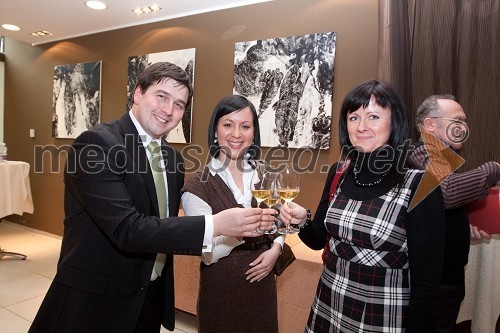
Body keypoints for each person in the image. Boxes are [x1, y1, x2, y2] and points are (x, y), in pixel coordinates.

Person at [29, 62, 275, 333]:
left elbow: (164, 229)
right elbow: (127, 229)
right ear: (137, 94)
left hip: (148, 298)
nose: (169, 110)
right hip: (95, 300)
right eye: (161, 96)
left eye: (179, 104)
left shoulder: (173, 160)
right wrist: (216, 225)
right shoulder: (96, 145)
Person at [280, 80, 446, 332]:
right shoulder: (339, 173)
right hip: (328, 306)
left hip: (382, 317)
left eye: (374, 116)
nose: (362, 127)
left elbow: (427, 283)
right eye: (354, 117)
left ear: (395, 122)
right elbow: (318, 240)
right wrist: (302, 220)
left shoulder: (420, 184)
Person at [181, 94, 284, 333]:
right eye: (228, 125)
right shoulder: (198, 186)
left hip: (263, 290)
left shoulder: (266, 174)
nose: (237, 134)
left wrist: (276, 249)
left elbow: (279, 220)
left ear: (253, 133)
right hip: (222, 292)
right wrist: (241, 233)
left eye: (245, 126)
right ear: (215, 132)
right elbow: (207, 254)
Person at [408, 94, 500, 332]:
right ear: (430, 125)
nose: (464, 127)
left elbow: (437, 207)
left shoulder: (443, 159)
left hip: (447, 276)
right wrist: (494, 168)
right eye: (458, 120)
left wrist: (464, 225)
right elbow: (447, 194)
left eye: (466, 122)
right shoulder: (423, 152)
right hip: (433, 281)